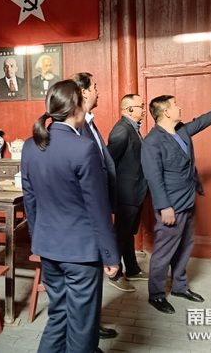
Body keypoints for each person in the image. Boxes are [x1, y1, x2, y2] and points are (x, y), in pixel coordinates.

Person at [21, 80, 119, 353]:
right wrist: (110, 255)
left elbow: (30, 199)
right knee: (82, 328)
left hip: (48, 247)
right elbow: (97, 208)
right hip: (81, 253)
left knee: (59, 316)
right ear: (77, 107)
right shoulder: (83, 147)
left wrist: (38, 240)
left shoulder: (31, 146)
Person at [141, 91, 211, 314]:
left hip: (188, 198)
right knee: (164, 251)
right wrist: (164, 207)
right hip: (171, 205)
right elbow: (153, 178)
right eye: (175, 105)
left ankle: (179, 287)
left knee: (185, 245)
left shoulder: (181, 131)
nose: (179, 107)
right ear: (166, 112)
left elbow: (203, 121)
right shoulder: (152, 142)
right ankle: (156, 295)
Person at [72, 72, 129, 340]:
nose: (98, 91)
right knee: (86, 282)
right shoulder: (77, 128)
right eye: (95, 87)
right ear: (83, 92)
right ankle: (85, 337)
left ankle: (91, 327)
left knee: (93, 280)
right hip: (86, 216)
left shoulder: (90, 123)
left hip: (99, 206)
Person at [107, 94, 150, 289]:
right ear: (129, 109)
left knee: (126, 234)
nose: (144, 109)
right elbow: (108, 163)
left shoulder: (132, 127)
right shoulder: (122, 130)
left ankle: (132, 270)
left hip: (135, 191)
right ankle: (115, 275)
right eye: (141, 106)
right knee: (120, 234)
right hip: (126, 194)